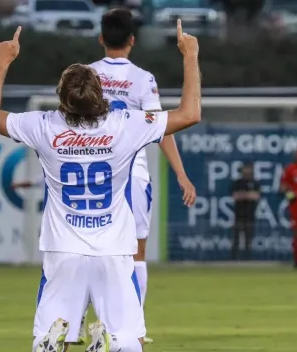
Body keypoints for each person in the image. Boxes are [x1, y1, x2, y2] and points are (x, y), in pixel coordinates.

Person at [0, 21, 201, 352]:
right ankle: (111, 345)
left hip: (62, 250)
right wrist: (190, 55)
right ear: (100, 94)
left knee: (49, 339)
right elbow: (190, 113)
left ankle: (57, 342)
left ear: (62, 97)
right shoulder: (125, 125)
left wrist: (2, 61)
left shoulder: (43, 125)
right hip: (113, 250)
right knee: (128, 340)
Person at [84, 9, 196, 345]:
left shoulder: (85, 75)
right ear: (132, 40)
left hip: (92, 171)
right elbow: (161, 128)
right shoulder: (143, 79)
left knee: (91, 248)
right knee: (136, 253)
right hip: (132, 173)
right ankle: (133, 327)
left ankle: (84, 322)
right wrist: (180, 172)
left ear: (102, 38)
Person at [230, 162, 260, 260]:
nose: (247, 171)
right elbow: (235, 196)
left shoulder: (255, 183)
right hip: (239, 214)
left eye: (249, 169)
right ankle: (233, 259)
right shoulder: (238, 183)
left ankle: (248, 259)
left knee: (249, 239)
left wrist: (243, 195)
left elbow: (256, 196)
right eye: (245, 169)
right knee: (236, 238)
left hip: (250, 214)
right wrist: (248, 195)